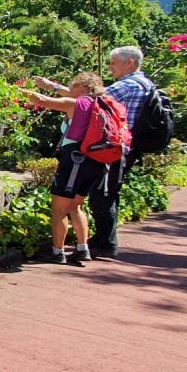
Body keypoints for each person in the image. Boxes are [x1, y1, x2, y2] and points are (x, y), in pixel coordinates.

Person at [33, 45, 156, 257]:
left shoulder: (124, 86)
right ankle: (87, 247)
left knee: (74, 204)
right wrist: (53, 86)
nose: (110, 68)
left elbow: (74, 100)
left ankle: (71, 249)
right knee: (83, 203)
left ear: (129, 63)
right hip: (111, 151)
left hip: (88, 153)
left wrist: (28, 90)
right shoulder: (146, 84)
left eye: (113, 63)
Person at [24, 72, 118, 264]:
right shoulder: (99, 104)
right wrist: (53, 86)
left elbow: (42, 100)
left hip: (75, 160)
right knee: (76, 205)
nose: (71, 88)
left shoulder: (76, 104)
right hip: (95, 161)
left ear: (85, 88)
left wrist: (14, 90)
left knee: (59, 209)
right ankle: (82, 248)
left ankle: (57, 252)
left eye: (74, 85)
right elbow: (64, 93)